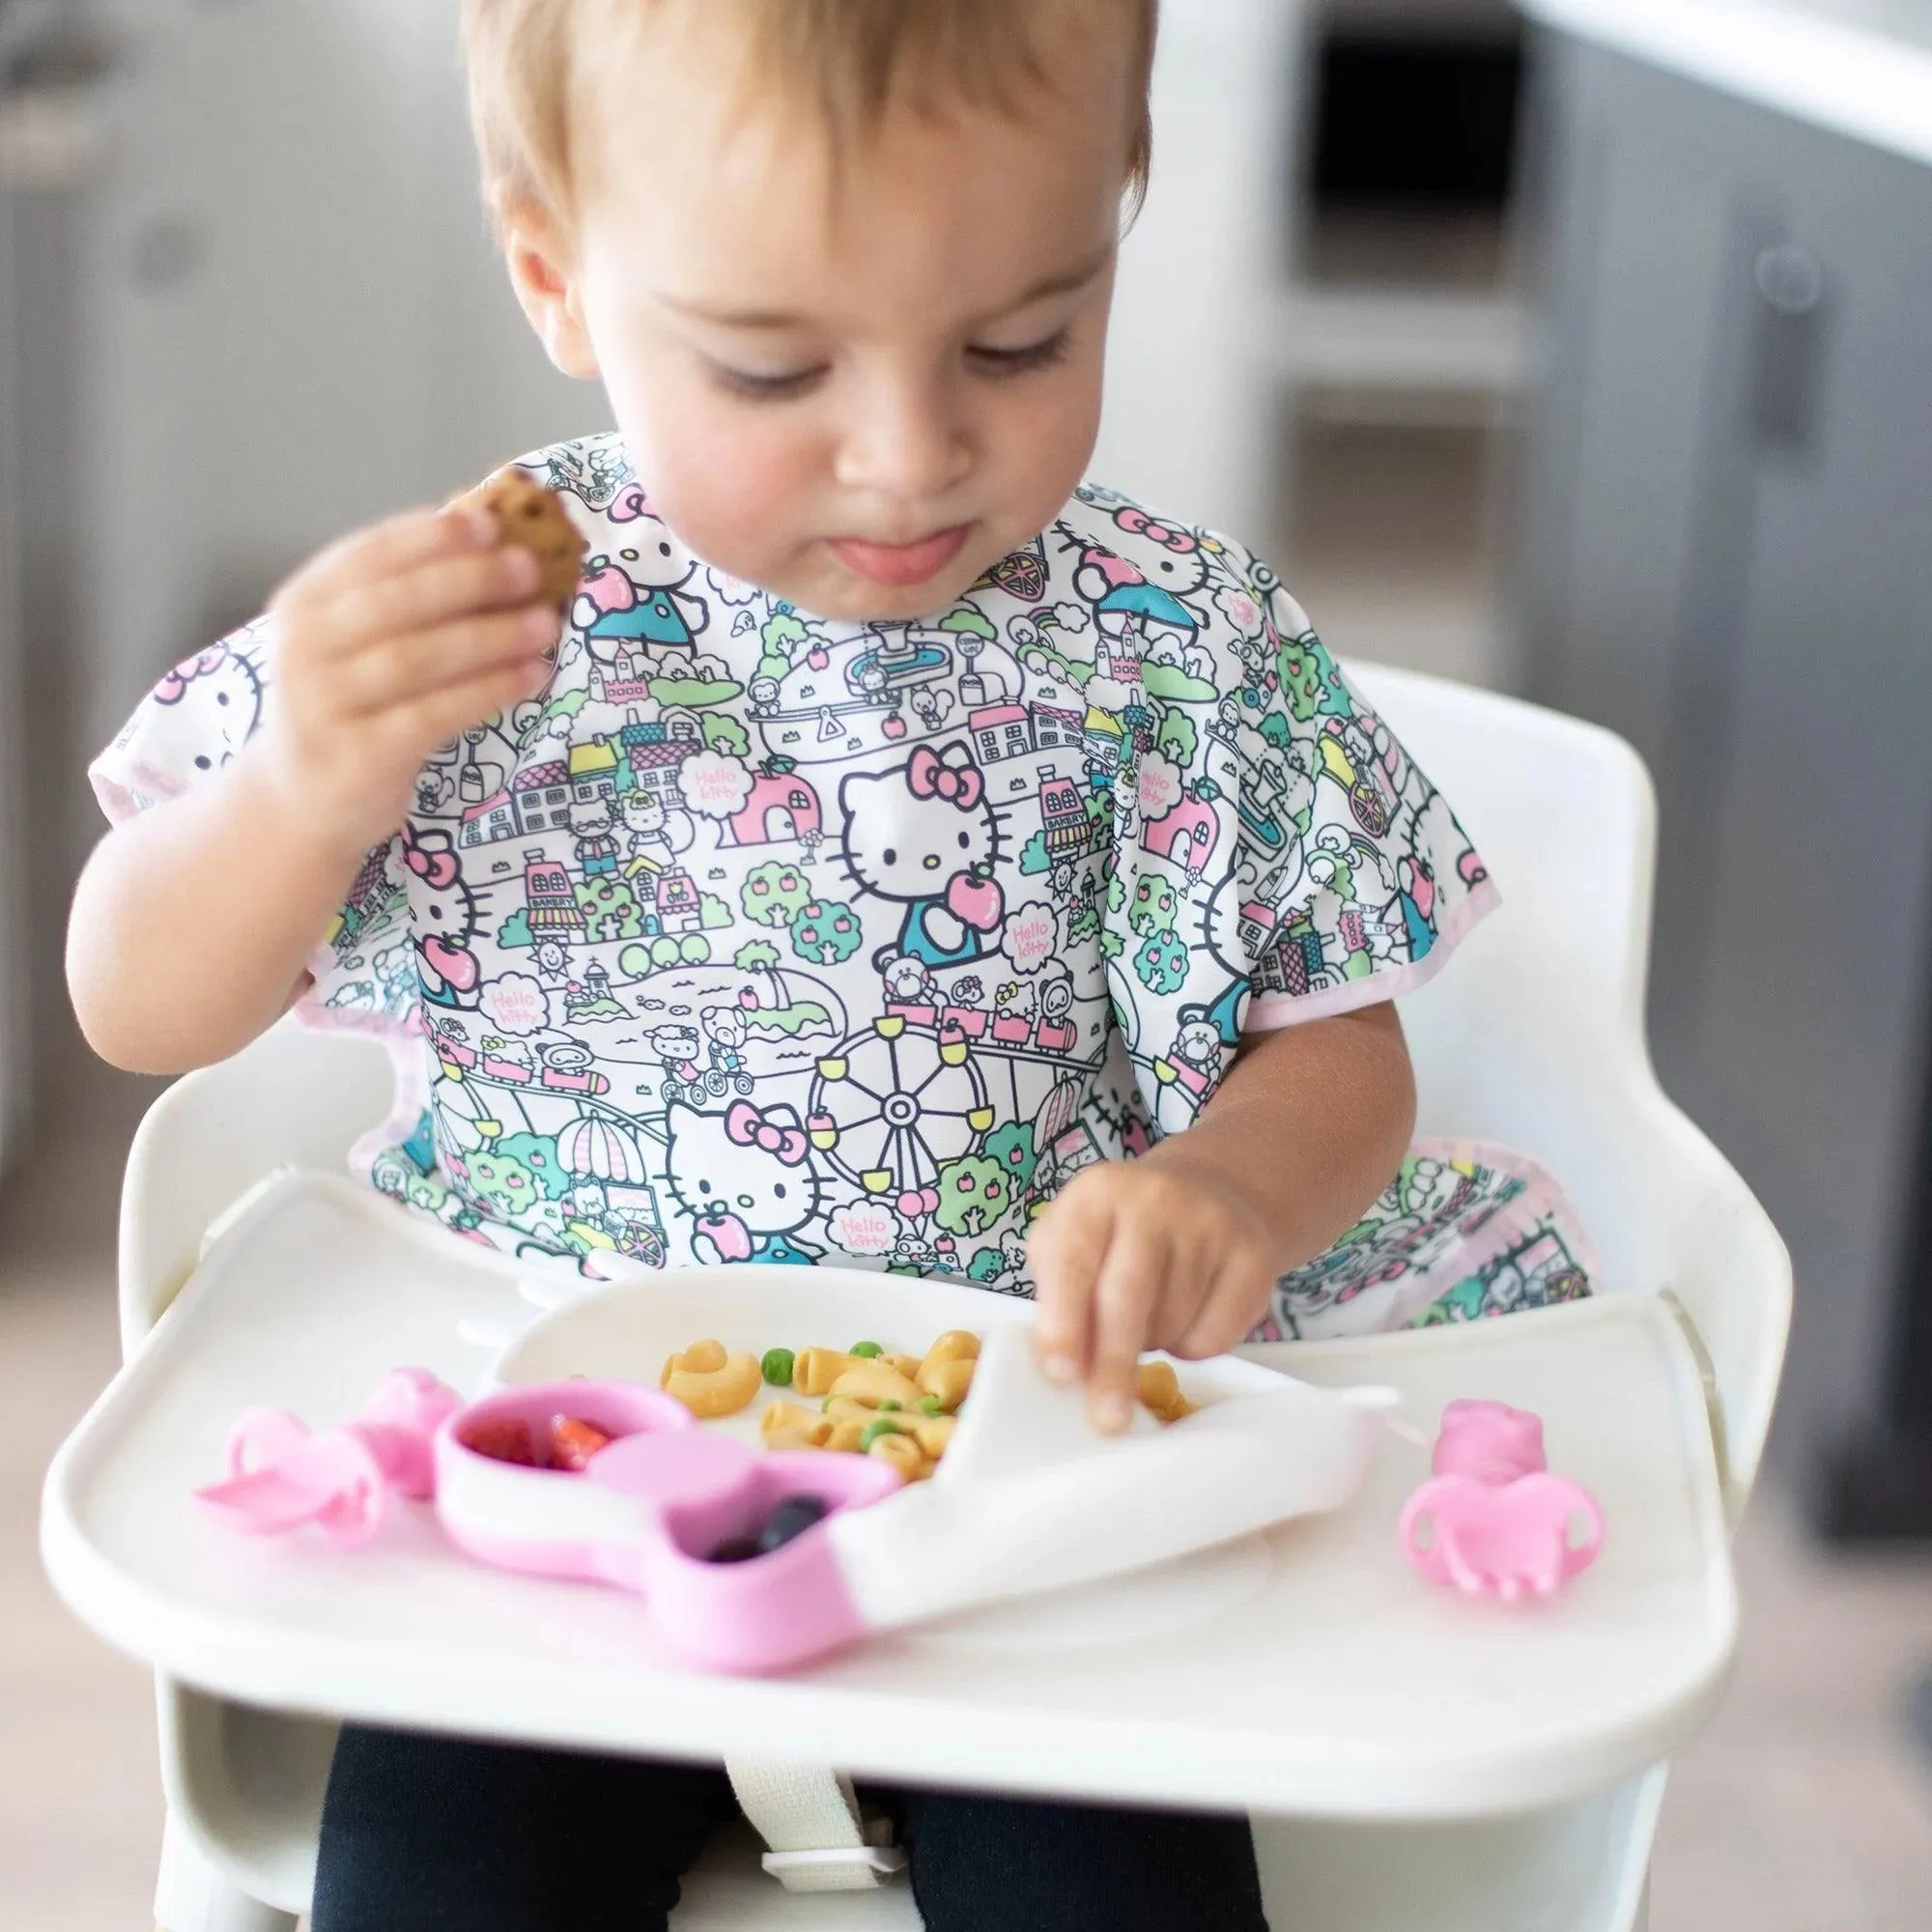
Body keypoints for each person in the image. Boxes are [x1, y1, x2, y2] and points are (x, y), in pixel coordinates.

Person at [67, 4, 1593, 1926]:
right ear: (557, 271)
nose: (906, 452)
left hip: (1033, 1479)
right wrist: (300, 790)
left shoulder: (1168, 642)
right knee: (431, 1887)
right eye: (774, 367)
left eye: (1021, 340)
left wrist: (1226, 1186)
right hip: (559, 1475)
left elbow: (1341, 1054)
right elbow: (133, 998)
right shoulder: (477, 622)